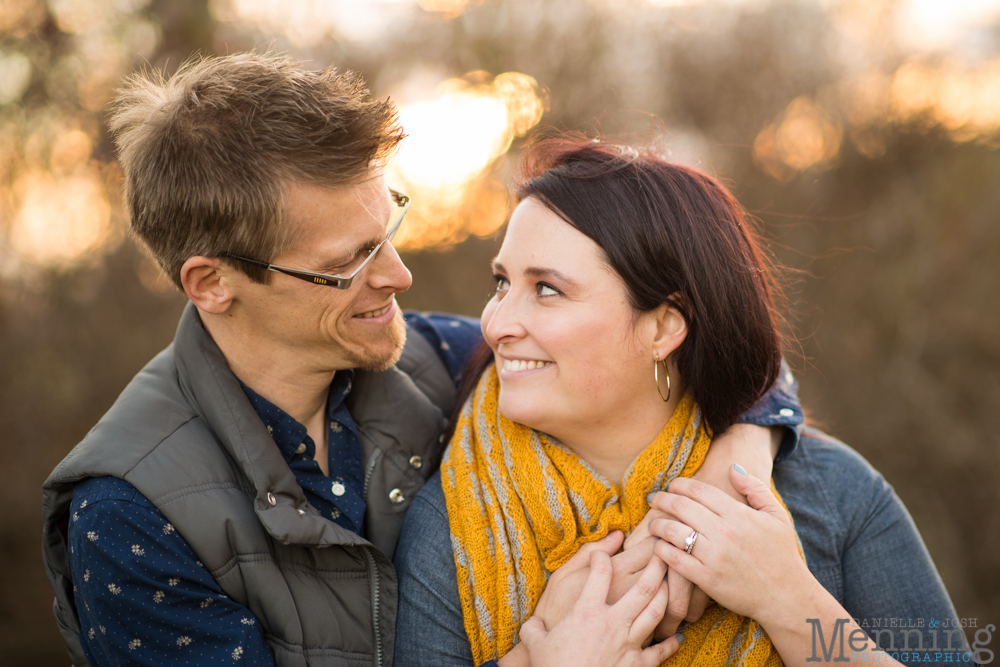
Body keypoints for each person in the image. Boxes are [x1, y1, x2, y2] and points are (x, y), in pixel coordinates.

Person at [40, 54, 803, 667]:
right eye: (348, 262)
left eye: (388, 227)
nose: (399, 276)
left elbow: (700, 349)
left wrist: (727, 476)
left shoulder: (442, 358)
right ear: (213, 283)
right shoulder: (132, 520)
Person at [392, 139, 965, 667]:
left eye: (547, 289)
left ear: (665, 326)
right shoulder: (452, 525)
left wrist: (789, 600)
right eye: (501, 283)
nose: (496, 323)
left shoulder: (831, 494)